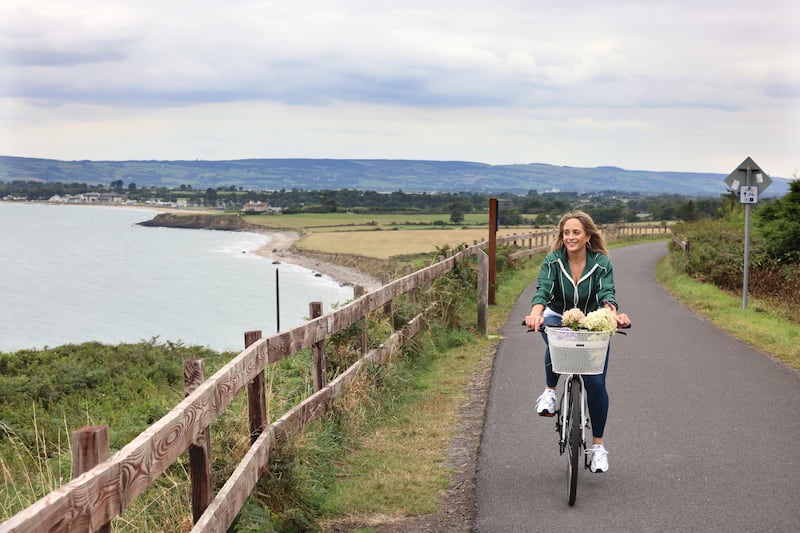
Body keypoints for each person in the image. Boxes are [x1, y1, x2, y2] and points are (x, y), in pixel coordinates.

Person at [524, 210, 630, 473]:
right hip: (559, 314)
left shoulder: (602, 263)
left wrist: (613, 315)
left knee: (595, 382)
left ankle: (597, 448)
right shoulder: (552, 261)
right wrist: (535, 315)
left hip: (592, 320)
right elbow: (542, 291)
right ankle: (550, 391)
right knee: (556, 337)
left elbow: (608, 293)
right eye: (566, 232)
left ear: (587, 236)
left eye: (576, 232)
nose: (570, 237)